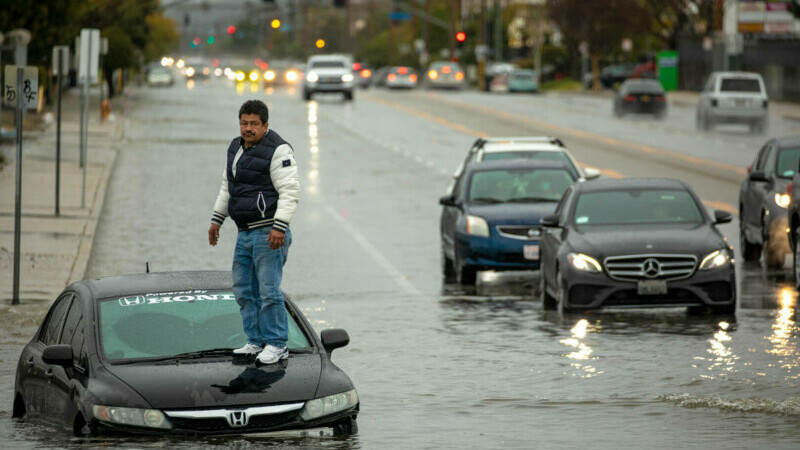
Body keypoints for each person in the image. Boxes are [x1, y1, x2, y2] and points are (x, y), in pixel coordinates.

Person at [208, 99, 300, 364]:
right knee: (243, 289)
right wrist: (217, 220)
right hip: (244, 232)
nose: (248, 128)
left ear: (265, 125)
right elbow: (228, 186)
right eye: (244, 123)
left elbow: (290, 191)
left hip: (269, 233)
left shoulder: (279, 150)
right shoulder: (235, 147)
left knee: (268, 291)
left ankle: (277, 343)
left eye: (253, 124)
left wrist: (279, 226)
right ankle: (256, 340)